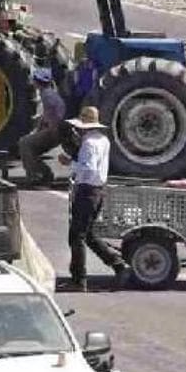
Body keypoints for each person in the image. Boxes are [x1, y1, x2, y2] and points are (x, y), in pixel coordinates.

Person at [64, 107, 126, 290]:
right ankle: (117, 263)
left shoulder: (89, 143)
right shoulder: (103, 140)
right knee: (88, 234)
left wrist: (73, 169)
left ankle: (79, 279)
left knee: (76, 236)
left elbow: (88, 168)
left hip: (87, 190)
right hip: (98, 190)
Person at [17, 68, 68, 187]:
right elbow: (46, 116)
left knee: (25, 144)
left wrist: (48, 132)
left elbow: (52, 117)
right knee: (29, 145)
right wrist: (38, 131)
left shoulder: (47, 95)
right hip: (56, 129)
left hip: (55, 131)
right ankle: (44, 173)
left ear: (37, 81)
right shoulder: (50, 93)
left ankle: (36, 176)